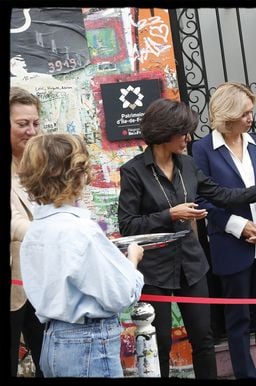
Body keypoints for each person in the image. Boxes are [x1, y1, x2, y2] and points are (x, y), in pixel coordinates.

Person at [117, 98, 256, 378]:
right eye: (183, 132)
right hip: (155, 270)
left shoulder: (187, 165)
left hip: (192, 264)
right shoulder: (134, 171)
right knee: (160, 343)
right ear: (165, 133)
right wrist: (170, 214)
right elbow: (127, 226)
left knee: (203, 340)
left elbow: (222, 195)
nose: (188, 138)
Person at [18, 133, 145, 377]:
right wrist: (133, 260)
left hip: (54, 340)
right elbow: (121, 295)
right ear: (76, 174)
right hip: (89, 342)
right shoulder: (79, 230)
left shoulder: (36, 229)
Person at [191, 82, 256, 379]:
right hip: (233, 247)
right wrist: (240, 227)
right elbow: (202, 199)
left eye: (251, 112)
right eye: (245, 113)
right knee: (238, 320)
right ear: (228, 114)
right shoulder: (202, 149)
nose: (251, 118)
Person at [10, 87, 44, 378]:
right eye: (22, 124)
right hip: (14, 286)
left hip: (45, 282)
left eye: (35, 123)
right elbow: (14, 221)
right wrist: (51, 236)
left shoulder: (42, 164)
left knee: (51, 361)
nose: (31, 131)